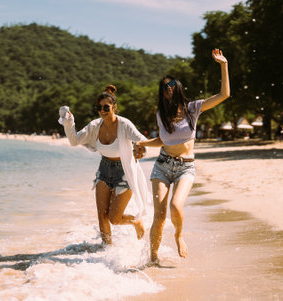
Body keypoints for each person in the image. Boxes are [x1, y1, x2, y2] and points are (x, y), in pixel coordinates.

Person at [134, 48, 230, 263]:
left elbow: (224, 95)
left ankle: (178, 236)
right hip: (162, 166)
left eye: (170, 86)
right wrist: (142, 143)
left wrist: (223, 65)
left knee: (176, 206)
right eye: (163, 87)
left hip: (186, 167)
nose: (166, 90)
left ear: (177, 88)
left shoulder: (192, 109)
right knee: (158, 217)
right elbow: (163, 140)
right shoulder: (161, 115)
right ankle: (153, 258)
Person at [59, 85, 150, 245]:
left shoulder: (124, 124)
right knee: (102, 215)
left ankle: (135, 222)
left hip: (124, 171)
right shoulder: (95, 126)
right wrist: (69, 121)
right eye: (99, 107)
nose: (102, 110)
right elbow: (74, 140)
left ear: (114, 107)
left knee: (114, 218)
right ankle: (106, 251)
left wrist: (141, 149)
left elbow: (142, 140)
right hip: (104, 168)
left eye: (106, 107)